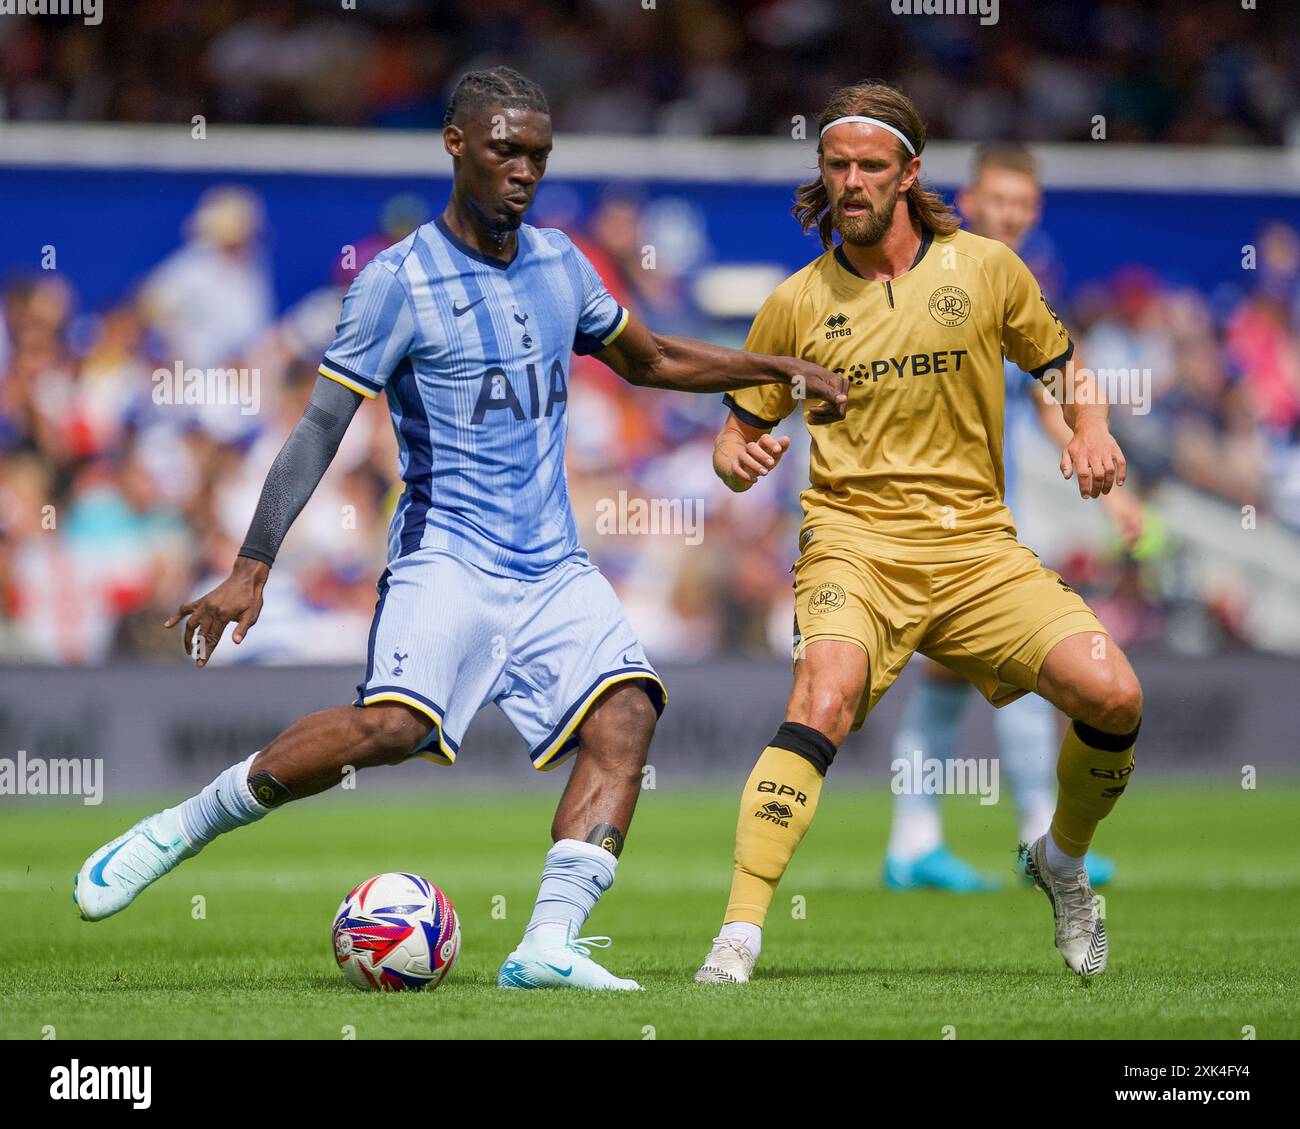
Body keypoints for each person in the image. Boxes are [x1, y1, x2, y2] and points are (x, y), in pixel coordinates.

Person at [74, 67, 847, 993]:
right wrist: (252, 564)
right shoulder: (397, 282)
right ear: (457, 145)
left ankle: (547, 944)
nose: (524, 171)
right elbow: (321, 423)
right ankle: (183, 825)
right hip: (448, 551)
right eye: (505, 151)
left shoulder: (562, 261)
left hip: (554, 562)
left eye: (538, 156)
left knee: (628, 715)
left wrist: (776, 368)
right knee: (392, 727)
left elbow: (652, 357)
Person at [695, 82, 1141, 984]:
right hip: (854, 545)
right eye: (836, 165)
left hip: (976, 548)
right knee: (820, 698)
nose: (851, 181)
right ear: (822, 174)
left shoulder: (984, 268)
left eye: (869, 166)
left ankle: (1059, 859)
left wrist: (1091, 427)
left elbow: (1063, 365)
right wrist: (734, 454)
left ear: (909, 174)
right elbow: (738, 427)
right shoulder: (792, 303)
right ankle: (737, 934)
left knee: (1116, 698)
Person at [882, 141, 1144, 893]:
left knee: (957, 680)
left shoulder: (1014, 283)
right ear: (969, 195)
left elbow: (1043, 393)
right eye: (997, 201)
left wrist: (1106, 470)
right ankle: (1019, 836)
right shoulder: (933, 269)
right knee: (1006, 670)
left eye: (1023, 206)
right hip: (929, 514)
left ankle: (924, 840)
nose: (1009, 216)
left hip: (991, 513)